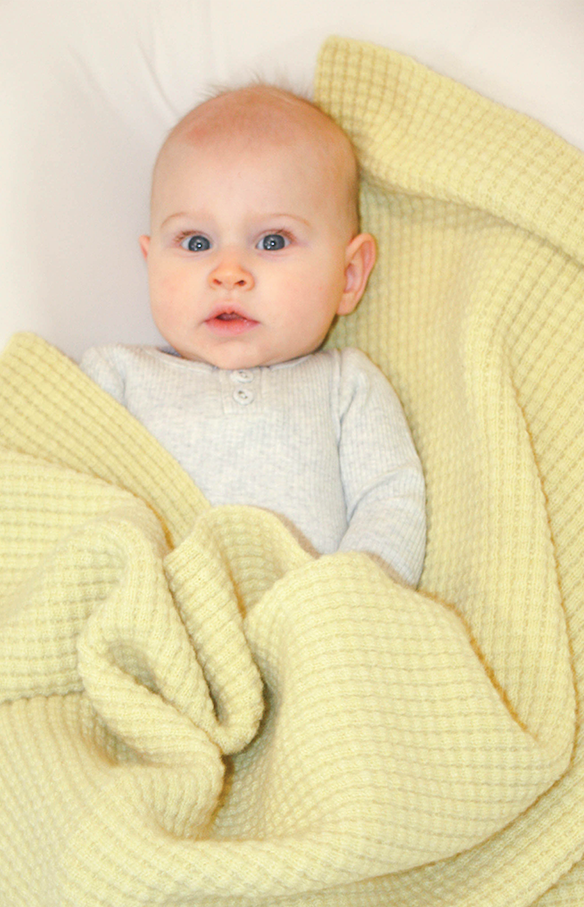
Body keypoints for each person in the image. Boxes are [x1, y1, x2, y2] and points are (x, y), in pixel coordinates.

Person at [81, 85, 426, 586]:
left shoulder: (345, 387)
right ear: (151, 262)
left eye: (271, 241)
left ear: (348, 276)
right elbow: (60, 498)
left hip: (307, 637)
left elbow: (390, 497)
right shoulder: (115, 380)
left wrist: (352, 604)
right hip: (155, 623)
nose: (229, 272)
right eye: (196, 242)